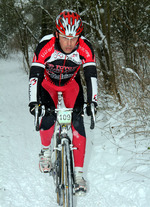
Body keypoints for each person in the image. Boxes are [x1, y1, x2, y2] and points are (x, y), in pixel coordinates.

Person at [29, 9, 97, 194]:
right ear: (57, 33)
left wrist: (93, 101)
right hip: (48, 84)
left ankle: (78, 174)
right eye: (65, 37)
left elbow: (91, 75)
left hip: (70, 85)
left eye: (74, 38)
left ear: (79, 36)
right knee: (49, 116)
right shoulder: (46, 44)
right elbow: (35, 74)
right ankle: (45, 152)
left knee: (77, 121)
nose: (69, 43)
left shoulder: (85, 47)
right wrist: (34, 102)